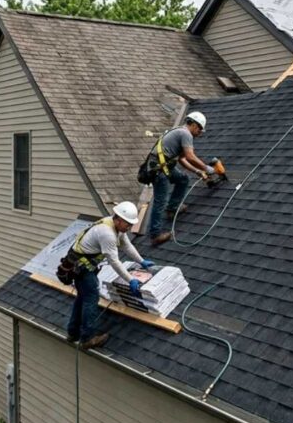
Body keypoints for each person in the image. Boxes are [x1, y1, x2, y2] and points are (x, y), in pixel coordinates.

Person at [66, 202, 154, 349]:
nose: (129, 228)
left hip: (83, 263)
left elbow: (126, 245)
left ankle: (73, 333)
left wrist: (141, 261)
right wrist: (131, 279)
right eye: (128, 224)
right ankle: (87, 338)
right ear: (118, 219)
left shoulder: (116, 227)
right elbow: (114, 261)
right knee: (91, 298)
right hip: (81, 267)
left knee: (82, 297)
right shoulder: (107, 233)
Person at [145, 111, 216, 246]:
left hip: (165, 166)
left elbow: (182, 159)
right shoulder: (185, 134)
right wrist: (207, 168)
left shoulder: (180, 132)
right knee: (160, 201)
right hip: (158, 169)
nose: (200, 133)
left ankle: (173, 208)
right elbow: (190, 156)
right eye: (200, 129)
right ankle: (155, 235)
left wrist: (197, 171)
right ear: (194, 125)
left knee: (183, 179)